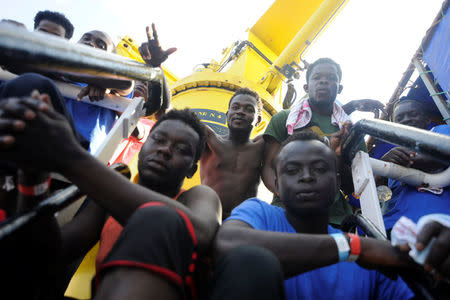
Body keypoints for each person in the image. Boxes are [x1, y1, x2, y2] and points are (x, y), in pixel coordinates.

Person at [0, 102, 285, 300]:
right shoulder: (111, 192)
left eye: (181, 149)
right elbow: (54, 252)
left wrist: (75, 160)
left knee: (159, 218)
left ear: (192, 168)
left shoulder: (199, 196)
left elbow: (196, 231)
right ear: (144, 144)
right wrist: (31, 183)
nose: (164, 150)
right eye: (158, 140)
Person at [216, 131, 415, 300]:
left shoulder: (370, 264)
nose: (307, 176)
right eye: (292, 170)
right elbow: (227, 245)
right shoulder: (259, 214)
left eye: (319, 168)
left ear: (338, 184)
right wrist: (352, 246)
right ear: (276, 185)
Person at [262, 57, 385, 226]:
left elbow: (354, 186)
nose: (323, 82)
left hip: (333, 218)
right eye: (317, 77)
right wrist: (283, 193)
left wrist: (337, 158)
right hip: (285, 211)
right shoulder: (284, 119)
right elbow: (268, 165)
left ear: (339, 88)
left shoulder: (352, 131)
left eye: (331, 78)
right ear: (306, 87)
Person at [380, 98, 450, 230]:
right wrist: (382, 164)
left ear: (427, 119)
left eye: (412, 114)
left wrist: (407, 161)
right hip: (394, 226)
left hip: (435, 220)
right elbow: (378, 190)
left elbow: (444, 155)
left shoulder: (440, 132)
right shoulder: (394, 155)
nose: (406, 119)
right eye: (400, 118)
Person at [200, 88, 264, 219]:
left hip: (242, 220)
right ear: (227, 113)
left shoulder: (262, 145)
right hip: (206, 214)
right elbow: (169, 115)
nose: (240, 112)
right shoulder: (209, 140)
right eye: (235, 107)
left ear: (258, 120)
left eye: (249, 109)